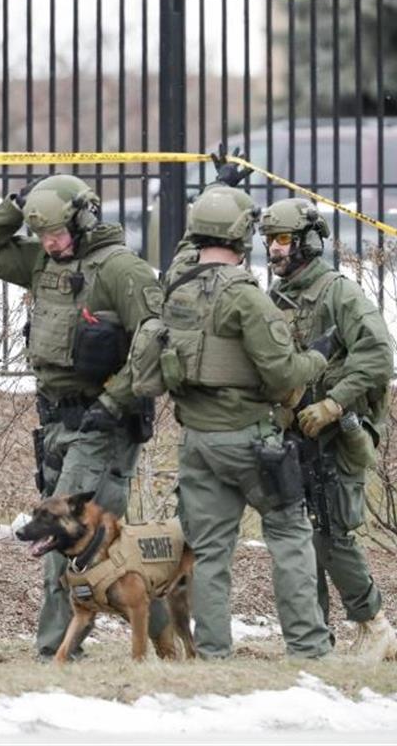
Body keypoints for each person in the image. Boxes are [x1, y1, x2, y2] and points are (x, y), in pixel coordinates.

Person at [128, 153, 335, 660]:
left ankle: (215, 652)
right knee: (288, 534)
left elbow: (185, 249)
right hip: (250, 440)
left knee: (212, 552)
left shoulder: (177, 282)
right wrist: (317, 356)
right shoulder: (247, 297)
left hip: (197, 442)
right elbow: (284, 373)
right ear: (244, 239)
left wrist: (213, 191)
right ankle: (308, 649)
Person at [0, 173, 170, 660]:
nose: (49, 243)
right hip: (57, 420)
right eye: (41, 235)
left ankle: (55, 650)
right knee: (107, 542)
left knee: (63, 532)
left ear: (84, 218)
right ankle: (168, 639)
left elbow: (156, 339)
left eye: (56, 232)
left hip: (103, 424)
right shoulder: (42, 262)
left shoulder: (120, 269)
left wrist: (114, 401)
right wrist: (18, 208)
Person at [261, 197, 397, 662]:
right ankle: (315, 640)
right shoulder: (276, 298)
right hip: (292, 434)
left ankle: (374, 625)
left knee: (332, 537)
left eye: (282, 240)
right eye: (268, 241)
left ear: (307, 242)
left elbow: (379, 354)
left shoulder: (337, 292)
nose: (274, 250)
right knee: (302, 540)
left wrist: (334, 403)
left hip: (335, 435)